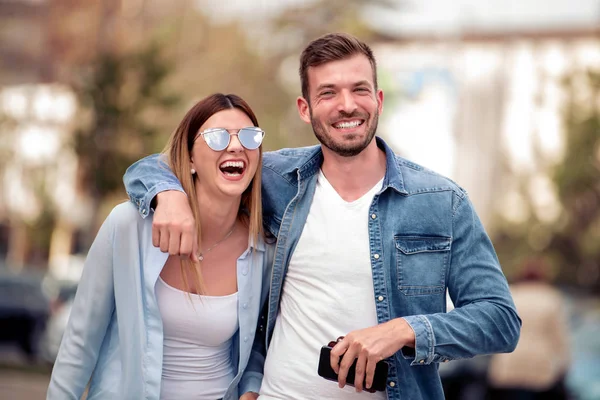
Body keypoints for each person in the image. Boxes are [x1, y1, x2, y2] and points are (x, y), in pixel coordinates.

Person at [123, 33, 521, 400]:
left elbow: (501, 320)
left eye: (359, 90)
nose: (347, 105)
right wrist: (169, 194)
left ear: (378, 100)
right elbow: (155, 165)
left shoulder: (441, 201)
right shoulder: (274, 180)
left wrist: (402, 331)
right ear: (305, 108)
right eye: (328, 92)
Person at [47, 93, 273, 400]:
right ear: (190, 158)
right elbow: (79, 343)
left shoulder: (264, 249)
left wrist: (251, 387)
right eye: (218, 137)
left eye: (249, 137)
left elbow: (258, 347)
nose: (236, 146)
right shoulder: (127, 226)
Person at [486, 258, 571, 400]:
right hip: (540, 366)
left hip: (509, 362)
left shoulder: (509, 295)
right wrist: (565, 365)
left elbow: (495, 330)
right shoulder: (551, 298)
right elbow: (560, 337)